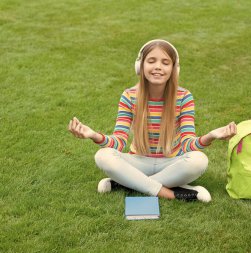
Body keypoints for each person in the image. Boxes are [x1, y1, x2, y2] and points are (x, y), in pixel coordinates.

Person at [68, 39, 236, 202]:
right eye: (151, 61)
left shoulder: (184, 97)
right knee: (103, 155)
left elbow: (187, 145)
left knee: (199, 160)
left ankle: (127, 184)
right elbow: (118, 142)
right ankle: (172, 193)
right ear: (140, 66)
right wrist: (93, 135)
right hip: (138, 161)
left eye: (165, 62)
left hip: (171, 162)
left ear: (174, 69)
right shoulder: (129, 96)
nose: (157, 67)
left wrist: (211, 135)